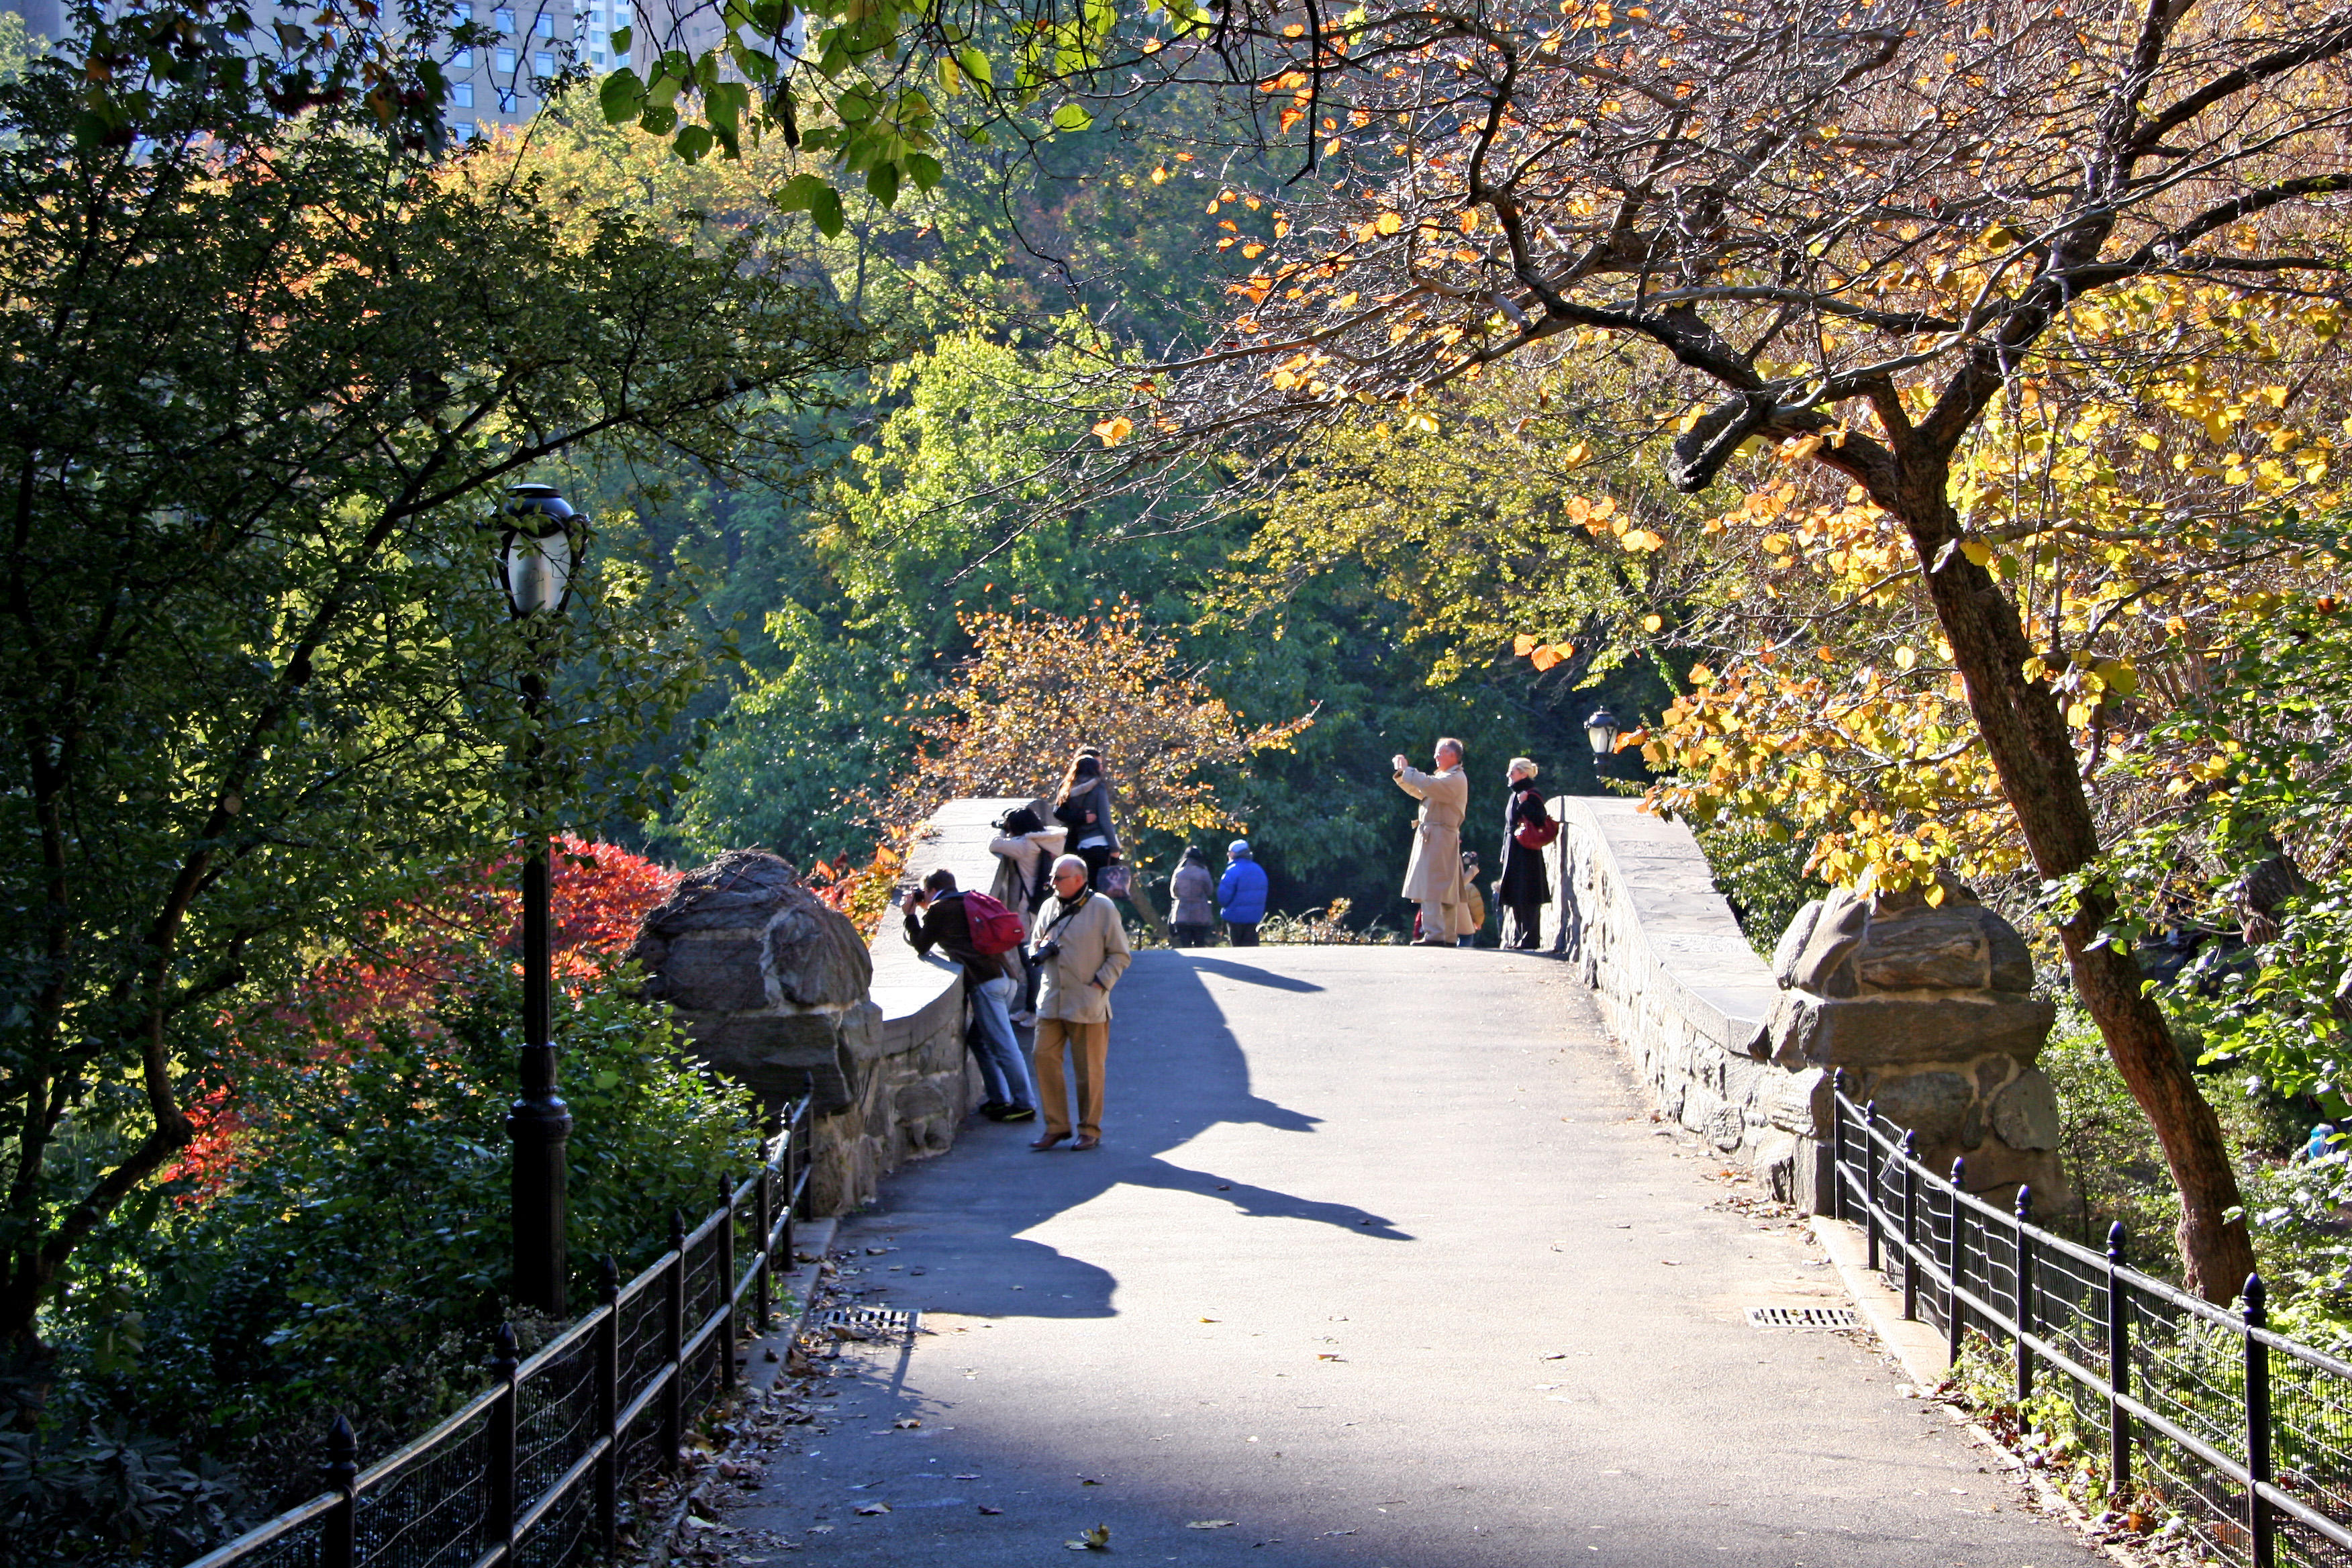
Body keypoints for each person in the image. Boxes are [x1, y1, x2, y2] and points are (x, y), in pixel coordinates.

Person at [901, 869, 1036, 1124]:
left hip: (986, 982)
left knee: (1004, 1045)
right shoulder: (969, 899)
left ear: (930, 890)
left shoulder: (940, 909)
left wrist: (911, 916)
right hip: (1006, 978)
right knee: (979, 1040)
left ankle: (1025, 1103)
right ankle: (999, 1099)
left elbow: (921, 944)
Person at [1028, 854, 1132, 1152]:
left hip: (1087, 1001)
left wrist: (1100, 983)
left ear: (1079, 879)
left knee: (1089, 1070)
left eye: (1058, 878)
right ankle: (1056, 1126)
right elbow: (1034, 942)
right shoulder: (1049, 906)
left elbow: (1120, 954)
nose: (1052, 883)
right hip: (1051, 999)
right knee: (1043, 1058)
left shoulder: (1102, 908)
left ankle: (1089, 1129)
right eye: (1052, 877)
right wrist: (1039, 948)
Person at [989, 803, 1067, 1023]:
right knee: (1035, 961)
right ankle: (1032, 1009)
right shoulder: (1049, 840)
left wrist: (1001, 830)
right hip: (1042, 907)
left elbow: (994, 844)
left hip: (1026, 911)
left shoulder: (1025, 846)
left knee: (1031, 963)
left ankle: (1036, 1012)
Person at [1392, 738, 1472, 945]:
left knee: (1433, 886)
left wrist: (1408, 770)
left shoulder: (1455, 778)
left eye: (1441, 752)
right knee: (1440, 886)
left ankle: (1436, 935)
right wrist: (1403, 775)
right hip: (1435, 836)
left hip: (1440, 837)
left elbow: (1428, 784)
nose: (1436, 756)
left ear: (1453, 756)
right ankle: (1443, 935)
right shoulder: (1446, 777)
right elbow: (1421, 791)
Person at [1498, 756, 1554, 950]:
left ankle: (1530, 938)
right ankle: (1521, 937)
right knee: (1515, 895)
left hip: (1526, 851)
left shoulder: (1531, 794)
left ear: (1523, 773)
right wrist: (1504, 851)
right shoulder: (1516, 794)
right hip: (1514, 850)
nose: (1509, 775)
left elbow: (1539, 819)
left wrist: (1525, 804)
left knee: (1528, 895)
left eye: (1512, 772)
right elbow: (1508, 826)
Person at [1052, 752, 1121, 887]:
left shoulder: (1067, 789)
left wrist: (1081, 818)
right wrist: (1114, 847)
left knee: (1084, 887)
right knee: (1103, 890)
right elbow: (1105, 820)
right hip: (1101, 844)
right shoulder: (1098, 787)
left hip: (1082, 844)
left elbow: (1058, 812)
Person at [1218, 838, 1269, 946]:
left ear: (1234, 854)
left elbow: (1223, 896)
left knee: (1237, 948)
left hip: (1235, 916)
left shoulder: (1232, 870)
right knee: (1251, 945)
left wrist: (1225, 906)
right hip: (1254, 915)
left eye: (1229, 852)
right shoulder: (1258, 870)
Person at [1169, 846, 1218, 947]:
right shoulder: (1204, 873)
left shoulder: (1179, 872)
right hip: (1200, 914)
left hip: (1182, 913)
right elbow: (1209, 891)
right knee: (1200, 944)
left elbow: (1173, 893)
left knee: (1185, 945)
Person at [1458, 850, 1487, 948]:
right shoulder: (1469, 887)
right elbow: (1476, 907)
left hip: (1439, 918)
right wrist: (1474, 868)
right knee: (1466, 937)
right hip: (1460, 917)